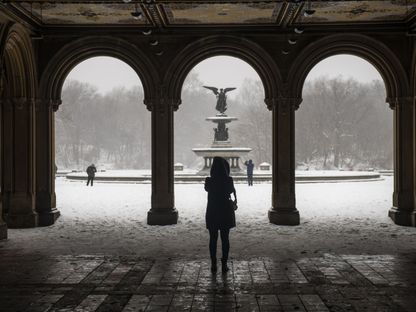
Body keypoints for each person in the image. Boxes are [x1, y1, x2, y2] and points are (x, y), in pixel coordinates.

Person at [204, 157, 237, 274]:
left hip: (213, 211)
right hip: (225, 212)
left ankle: (213, 264)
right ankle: (224, 264)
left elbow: (207, 189)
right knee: (225, 239)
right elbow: (231, 191)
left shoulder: (209, 181)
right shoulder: (229, 180)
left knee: (213, 239)